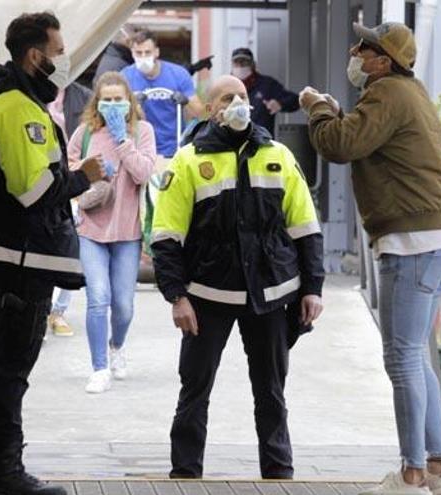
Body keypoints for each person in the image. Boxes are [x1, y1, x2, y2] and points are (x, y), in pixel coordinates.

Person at [301, 22, 441, 495]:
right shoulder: (409, 93)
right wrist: (331, 111)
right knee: (417, 359)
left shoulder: (388, 92)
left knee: (403, 359)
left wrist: (316, 110)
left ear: (384, 61)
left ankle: (412, 472)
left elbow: (340, 144)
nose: (355, 50)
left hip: (412, 245)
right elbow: (355, 132)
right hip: (436, 242)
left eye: (365, 47)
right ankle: (439, 469)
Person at [0, 11, 103, 495]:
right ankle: (4, 473)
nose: (63, 63)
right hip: (23, 256)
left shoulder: (13, 102)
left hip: (14, 252)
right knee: (11, 368)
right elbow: (33, 191)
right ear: (35, 56)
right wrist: (86, 177)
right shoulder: (18, 108)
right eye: (58, 53)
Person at [151, 75, 325, 480]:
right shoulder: (189, 160)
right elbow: (165, 236)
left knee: (272, 392)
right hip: (206, 296)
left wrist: (312, 289)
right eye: (228, 97)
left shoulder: (278, 155)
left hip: (270, 293)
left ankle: (279, 473)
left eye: (243, 96)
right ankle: (185, 473)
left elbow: (306, 228)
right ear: (212, 109)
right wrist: (176, 296)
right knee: (194, 391)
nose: (238, 103)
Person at [68, 71, 156, 393]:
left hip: (127, 232)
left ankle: (116, 346)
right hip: (91, 228)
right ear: (97, 102)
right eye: (107, 100)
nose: (113, 105)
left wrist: (122, 141)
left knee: (123, 305)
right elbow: (69, 168)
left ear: (129, 101)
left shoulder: (142, 131)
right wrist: (91, 170)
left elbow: (144, 171)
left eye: (119, 99)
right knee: (97, 298)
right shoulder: (85, 133)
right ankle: (99, 367)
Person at [47, 82, 93, 338]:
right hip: (52, 178)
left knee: (69, 244)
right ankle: (47, 310)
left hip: (72, 180)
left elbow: (79, 148)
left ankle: (58, 311)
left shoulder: (82, 96)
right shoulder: (36, 97)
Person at [121, 29, 204, 158]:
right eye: (138, 53)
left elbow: (199, 112)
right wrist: (135, 106)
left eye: (147, 52)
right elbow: (121, 117)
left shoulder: (178, 74)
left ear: (156, 52)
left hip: (174, 147)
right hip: (141, 147)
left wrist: (185, 101)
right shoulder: (125, 77)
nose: (143, 57)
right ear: (132, 53)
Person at [230, 47, 299, 137]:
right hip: (232, 143)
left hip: (261, 143)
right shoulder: (225, 87)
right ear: (232, 65)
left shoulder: (267, 85)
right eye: (237, 63)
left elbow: (295, 100)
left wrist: (280, 104)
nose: (240, 66)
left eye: (244, 62)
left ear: (253, 64)